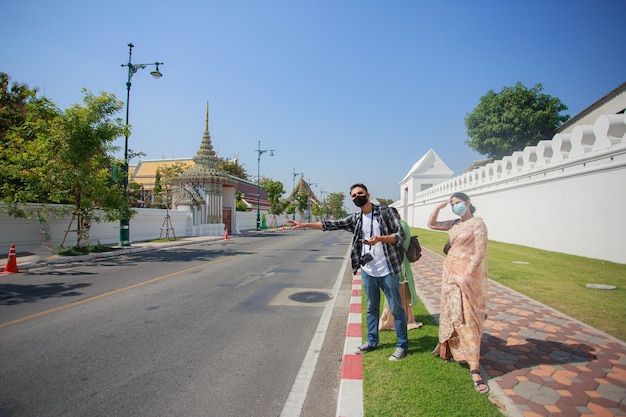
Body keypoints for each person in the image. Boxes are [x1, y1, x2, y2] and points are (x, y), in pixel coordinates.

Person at [288, 183, 409, 361]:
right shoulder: (356, 219)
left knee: (396, 307)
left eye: (360, 193)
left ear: (368, 194)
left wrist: (380, 239)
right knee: (371, 308)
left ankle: (402, 345)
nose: (356, 197)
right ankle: (372, 341)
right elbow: (330, 224)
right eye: (353, 195)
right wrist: (303, 224)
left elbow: (400, 234)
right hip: (368, 270)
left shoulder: (385, 212)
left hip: (388, 269)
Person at [427, 192, 490, 394]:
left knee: (467, 317)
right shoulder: (454, 224)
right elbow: (431, 224)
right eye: (452, 203)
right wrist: (440, 206)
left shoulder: (477, 223)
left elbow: (479, 253)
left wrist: (466, 275)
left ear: (468, 203)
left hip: (466, 277)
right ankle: (451, 350)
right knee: (450, 313)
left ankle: (474, 367)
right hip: (449, 274)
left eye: (457, 203)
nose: (455, 206)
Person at [379, 219, 422, 331]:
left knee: (395, 293)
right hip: (402, 263)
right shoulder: (403, 225)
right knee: (402, 293)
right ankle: (406, 316)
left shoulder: (398, 227)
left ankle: (392, 320)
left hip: (398, 264)